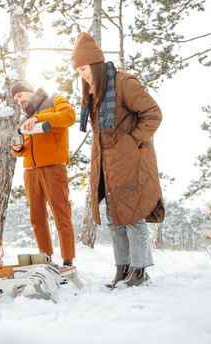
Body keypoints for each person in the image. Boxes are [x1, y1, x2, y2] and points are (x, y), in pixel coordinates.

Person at [71, 32, 165, 287]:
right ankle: (122, 269)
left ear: (96, 63)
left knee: (132, 217)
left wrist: (132, 141)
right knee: (114, 219)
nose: (82, 74)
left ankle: (140, 270)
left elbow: (153, 113)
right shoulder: (94, 92)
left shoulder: (124, 83)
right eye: (78, 70)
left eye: (84, 68)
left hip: (130, 161)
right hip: (107, 164)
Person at [9, 80, 76, 267]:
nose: (18, 100)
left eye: (20, 95)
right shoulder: (25, 119)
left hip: (53, 167)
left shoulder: (55, 100)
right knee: (37, 217)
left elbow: (69, 116)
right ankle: (45, 257)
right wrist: (18, 147)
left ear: (28, 90)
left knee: (61, 213)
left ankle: (68, 260)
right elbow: (26, 147)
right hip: (30, 171)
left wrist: (39, 118)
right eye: (15, 99)